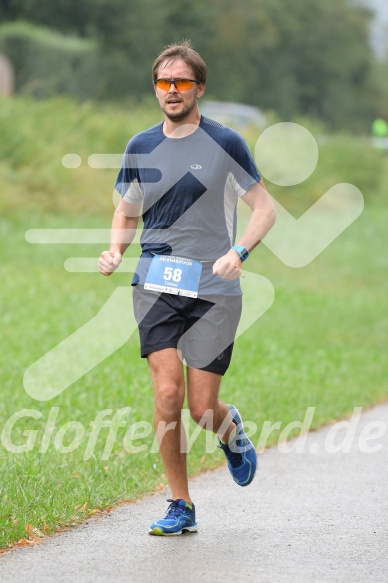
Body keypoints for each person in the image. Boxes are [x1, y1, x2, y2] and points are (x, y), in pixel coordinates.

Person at [98, 41, 276, 536]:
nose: (171, 91)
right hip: (154, 281)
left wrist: (238, 252)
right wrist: (116, 248)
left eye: (180, 82)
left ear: (199, 88)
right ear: (155, 87)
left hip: (214, 287)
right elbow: (126, 209)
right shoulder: (140, 146)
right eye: (163, 82)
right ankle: (181, 504)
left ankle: (229, 430)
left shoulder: (226, 143)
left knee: (201, 408)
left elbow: (265, 208)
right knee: (167, 395)